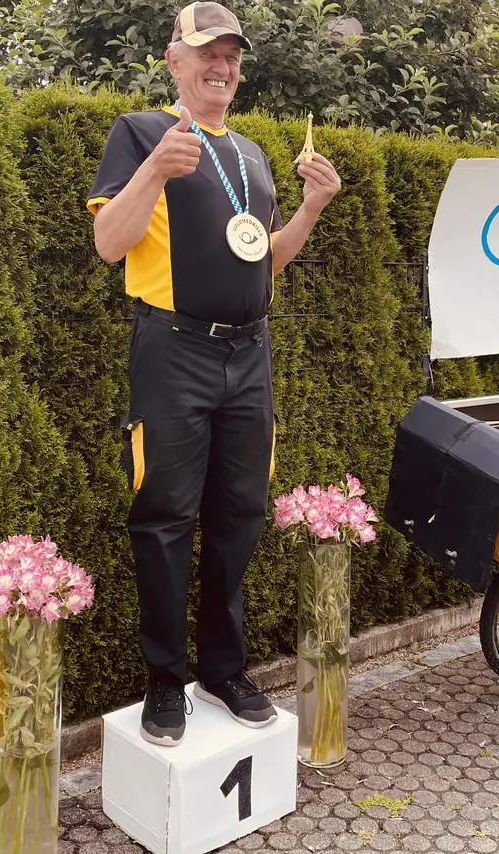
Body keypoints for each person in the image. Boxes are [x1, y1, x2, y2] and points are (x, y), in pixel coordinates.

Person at [86, 0, 342, 746]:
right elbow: (109, 242)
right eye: (207, 52)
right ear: (175, 59)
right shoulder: (141, 132)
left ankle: (223, 670)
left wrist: (312, 208)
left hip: (249, 354)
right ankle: (164, 681)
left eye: (231, 54)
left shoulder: (254, 156)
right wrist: (153, 174)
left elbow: (267, 259)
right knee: (164, 521)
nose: (221, 65)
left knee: (240, 516)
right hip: (174, 352)